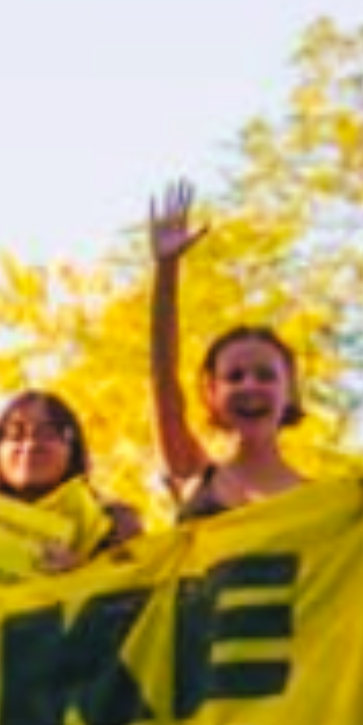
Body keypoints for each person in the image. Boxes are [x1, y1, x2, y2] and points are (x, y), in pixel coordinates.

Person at [146, 180, 306, 517]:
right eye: (234, 377)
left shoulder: (320, 499)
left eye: (265, 375)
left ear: (289, 391)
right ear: (212, 393)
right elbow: (163, 378)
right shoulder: (194, 472)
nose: (249, 385)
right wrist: (166, 270)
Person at [0, 389, 144, 556]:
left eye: (48, 433)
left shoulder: (114, 524)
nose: (31, 445)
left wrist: (84, 574)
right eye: (15, 434)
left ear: (72, 449)